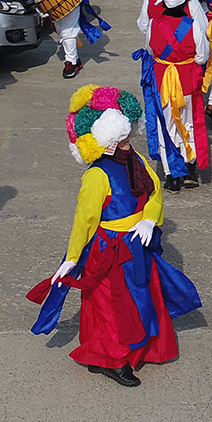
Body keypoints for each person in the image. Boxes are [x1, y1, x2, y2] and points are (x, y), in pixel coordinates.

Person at [29, 85, 201, 387]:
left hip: (137, 246)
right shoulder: (96, 176)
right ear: (105, 140)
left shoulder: (138, 162)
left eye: (127, 135)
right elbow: (84, 221)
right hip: (108, 251)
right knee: (110, 306)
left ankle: (114, 353)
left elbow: (155, 191)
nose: (127, 141)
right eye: (121, 138)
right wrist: (71, 258)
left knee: (139, 299)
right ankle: (111, 359)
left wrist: (149, 220)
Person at [134, 0, 211, 190]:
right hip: (187, 80)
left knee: (165, 125)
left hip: (163, 81)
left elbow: (150, 50)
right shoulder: (194, 25)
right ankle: (190, 168)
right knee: (189, 123)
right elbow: (201, 56)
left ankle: (171, 175)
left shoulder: (153, 24)